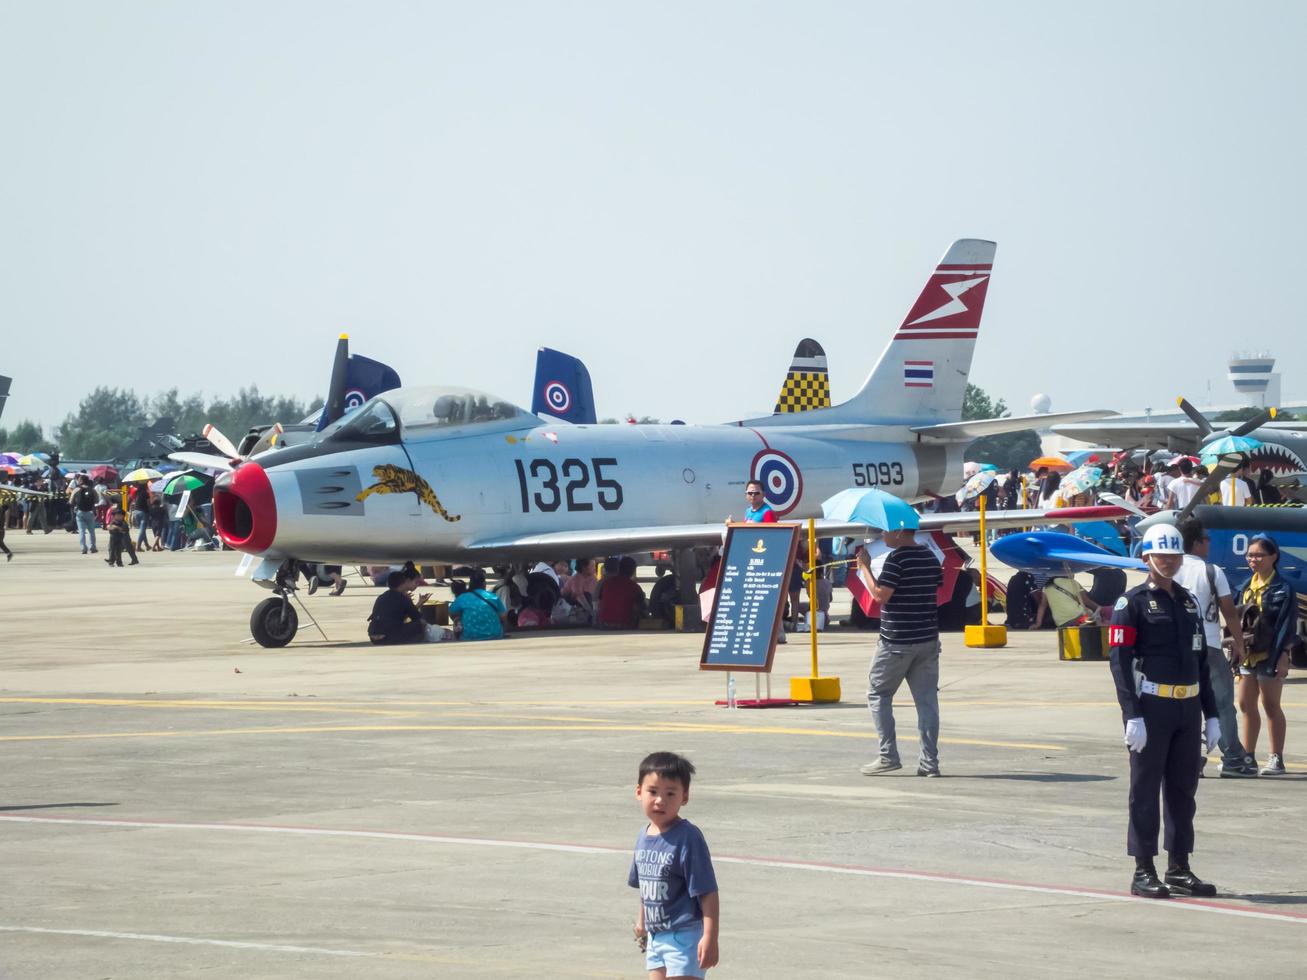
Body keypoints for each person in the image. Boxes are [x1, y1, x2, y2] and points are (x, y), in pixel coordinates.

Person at [1108, 524, 1220, 898]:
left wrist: (1213, 713)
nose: (1168, 562)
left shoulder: (1188, 601)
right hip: (1152, 707)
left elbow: (1201, 660)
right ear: (1147, 558)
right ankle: (1143, 868)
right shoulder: (1132, 603)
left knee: (1182, 790)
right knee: (1144, 789)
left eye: (1173, 556)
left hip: (1188, 707)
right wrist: (1132, 714)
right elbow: (1120, 663)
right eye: (1161, 556)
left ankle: (1179, 867)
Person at [857, 528, 944, 777]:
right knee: (927, 701)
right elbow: (936, 589)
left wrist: (865, 567)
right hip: (927, 637)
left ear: (898, 532)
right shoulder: (929, 556)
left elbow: (880, 595)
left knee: (878, 694)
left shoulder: (896, 560)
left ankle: (888, 755)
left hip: (897, 641)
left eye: (885, 532)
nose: (882, 536)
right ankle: (929, 763)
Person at [1174, 519, 1256, 777]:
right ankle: (1232, 758)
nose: (1209, 543)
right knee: (1221, 704)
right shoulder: (1211, 571)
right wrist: (1240, 645)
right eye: (1206, 539)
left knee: (1183, 703)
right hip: (1208, 645)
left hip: (1175, 647)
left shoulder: (1169, 568)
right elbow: (1230, 613)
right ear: (1197, 543)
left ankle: (1188, 759)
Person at [629, 752, 720, 978]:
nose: (661, 800)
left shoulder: (688, 838)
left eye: (671, 794)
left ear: (685, 797)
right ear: (638, 792)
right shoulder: (643, 835)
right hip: (655, 937)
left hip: (685, 937)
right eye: (653, 792)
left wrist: (710, 937)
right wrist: (642, 923)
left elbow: (707, 891)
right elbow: (646, 886)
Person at [1235, 534, 1297, 776]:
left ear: (1274, 556)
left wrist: (1284, 654)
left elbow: (1288, 625)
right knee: (1245, 704)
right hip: (1248, 655)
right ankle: (1248, 756)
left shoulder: (1283, 589)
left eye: (1259, 555)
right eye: (1250, 555)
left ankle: (1276, 758)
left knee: (1271, 704)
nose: (1254, 559)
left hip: (1270, 654)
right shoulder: (1244, 587)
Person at [367, 569, 428, 644]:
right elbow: (417, 617)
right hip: (388, 636)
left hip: (373, 637)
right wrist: (411, 603)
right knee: (421, 623)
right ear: (402, 584)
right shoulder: (403, 598)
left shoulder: (381, 597)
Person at [449, 568, 507, 640]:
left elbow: (451, 612)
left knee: (457, 618)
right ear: (484, 584)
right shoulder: (492, 596)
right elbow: (503, 616)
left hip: (469, 636)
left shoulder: (463, 597)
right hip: (495, 635)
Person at [596, 556, 645, 629]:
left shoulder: (606, 583)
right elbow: (642, 604)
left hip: (603, 624)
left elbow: (599, 599)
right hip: (624, 624)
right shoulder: (634, 586)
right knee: (642, 603)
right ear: (632, 571)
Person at [71, 476, 98, 555]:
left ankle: (83, 548)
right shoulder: (92, 490)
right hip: (90, 512)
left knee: (82, 531)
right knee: (92, 531)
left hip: (80, 512)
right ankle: (93, 547)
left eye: (79, 480)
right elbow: (97, 500)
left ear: (81, 481)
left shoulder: (76, 490)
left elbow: (70, 501)